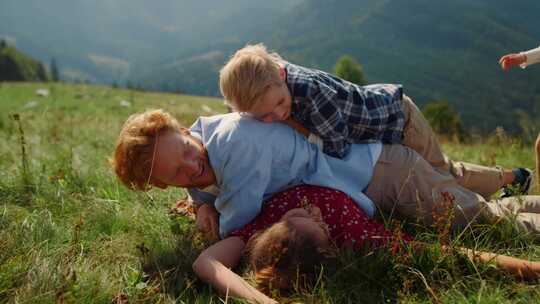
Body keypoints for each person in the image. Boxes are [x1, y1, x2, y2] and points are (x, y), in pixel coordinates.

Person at [111, 109, 539, 240]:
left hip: (382, 172)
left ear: (185, 130)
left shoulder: (234, 142)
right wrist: (202, 202)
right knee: (475, 207)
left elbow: (238, 222)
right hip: (370, 170)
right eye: (177, 172)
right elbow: (205, 184)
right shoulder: (205, 153)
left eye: (186, 149)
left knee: (483, 224)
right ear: (162, 185)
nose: (192, 164)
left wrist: (210, 221)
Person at [219, 43, 532, 196]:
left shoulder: (313, 94)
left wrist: (292, 126)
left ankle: (515, 178)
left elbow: (338, 147)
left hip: (399, 119)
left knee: (444, 174)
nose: (277, 116)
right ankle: (507, 181)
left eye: (280, 105)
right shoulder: (273, 80)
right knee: (443, 173)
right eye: (265, 116)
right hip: (378, 122)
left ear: (280, 77)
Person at [192, 185, 540, 303]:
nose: (316, 213)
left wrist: (260, 300)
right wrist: (528, 268)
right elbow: (450, 252)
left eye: (303, 217)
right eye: (320, 225)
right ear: (331, 243)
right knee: (487, 212)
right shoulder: (357, 237)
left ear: (278, 230)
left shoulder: (253, 230)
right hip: (374, 180)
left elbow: (206, 264)